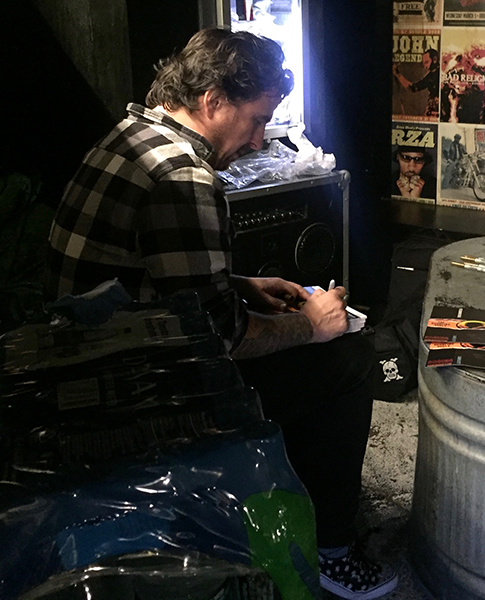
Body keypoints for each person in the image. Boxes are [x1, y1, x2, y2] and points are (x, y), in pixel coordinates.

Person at [45, 28, 398, 599]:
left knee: (310, 346)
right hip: (136, 401)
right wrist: (312, 324)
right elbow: (222, 339)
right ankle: (330, 550)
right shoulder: (183, 176)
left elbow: (144, 275)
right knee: (351, 355)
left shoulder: (130, 132)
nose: (260, 141)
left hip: (88, 368)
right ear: (211, 100)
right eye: (256, 120)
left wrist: (237, 283)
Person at [393, 48, 440, 118]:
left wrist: (398, 75)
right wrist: (398, 75)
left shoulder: (438, 74)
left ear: (435, 60)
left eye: (426, 62)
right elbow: (413, 88)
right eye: (424, 63)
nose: (425, 67)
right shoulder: (430, 76)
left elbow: (413, 88)